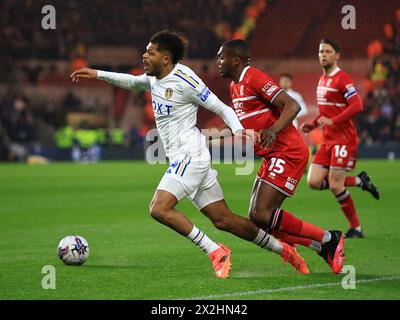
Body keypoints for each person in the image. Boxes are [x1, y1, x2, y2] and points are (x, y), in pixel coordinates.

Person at [71, 30, 309, 278]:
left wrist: (239, 130)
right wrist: (96, 73)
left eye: (150, 52)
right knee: (225, 220)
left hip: (190, 156)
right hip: (183, 159)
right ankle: (284, 250)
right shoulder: (154, 78)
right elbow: (131, 82)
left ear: (165, 59)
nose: (144, 56)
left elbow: (220, 106)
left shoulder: (185, 79)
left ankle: (215, 250)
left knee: (159, 208)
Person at [216, 39, 345, 274]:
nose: (218, 62)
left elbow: (292, 105)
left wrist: (273, 131)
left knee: (262, 213)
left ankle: (329, 238)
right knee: (259, 219)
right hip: (273, 155)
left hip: (288, 151)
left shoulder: (253, 77)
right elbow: (245, 125)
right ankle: (320, 245)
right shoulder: (235, 87)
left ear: (235, 60)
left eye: (221, 57)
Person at [301, 38, 380, 239]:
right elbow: (326, 112)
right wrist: (314, 123)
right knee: (314, 181)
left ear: (337, 55)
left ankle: (357, 228)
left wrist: (334, 121)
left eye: (327, 51)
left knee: (336, 185)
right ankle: (360, 181)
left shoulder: (342, 79)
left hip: (343, 139)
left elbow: (357, 105)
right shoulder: (322, 80)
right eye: (320, 52)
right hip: (328, 139)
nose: (323, 55)